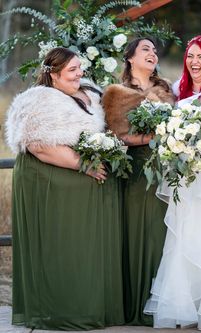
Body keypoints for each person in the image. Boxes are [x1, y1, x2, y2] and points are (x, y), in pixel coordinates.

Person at [6, 47, 125, 330]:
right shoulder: (38, 102)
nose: (79, 74)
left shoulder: (89, 93)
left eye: (79, 68)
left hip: (80, 188)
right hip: (49, 183)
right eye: (72, 70)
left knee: (83, 249)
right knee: (59, 247)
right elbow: (39, 145)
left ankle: (90, 305)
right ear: (53, 76)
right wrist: (83, 165)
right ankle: (61, 310)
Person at [144, 35, 201, 330]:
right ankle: (190, 307)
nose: (194, 63)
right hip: (186, 179)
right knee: (186, 236)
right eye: (190, 57)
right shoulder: (177, 90)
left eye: (200, 57)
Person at [102, 37, 175, 326]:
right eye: (145, 49)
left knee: (162, 233)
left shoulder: (166, 89)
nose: (152, 54)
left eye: (155, 51)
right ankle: (136, 306)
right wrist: (149, 138)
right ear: (130, 57)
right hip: (134, 171)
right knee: (137, 233)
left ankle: (161, 305)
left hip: (166, 171)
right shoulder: (115, 93)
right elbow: (116, 135)